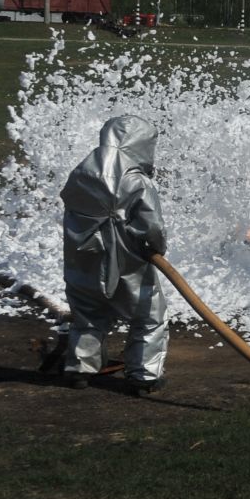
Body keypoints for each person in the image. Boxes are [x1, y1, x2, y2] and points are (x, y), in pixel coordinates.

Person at [59, 116, 170, 392]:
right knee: (148, 315)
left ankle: (80, 370)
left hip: (82, 257)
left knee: (87, 313)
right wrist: (156, 249)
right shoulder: (136, 181)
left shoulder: (80, 173)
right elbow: (151, 226)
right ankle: (144, 376)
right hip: (126, 260)